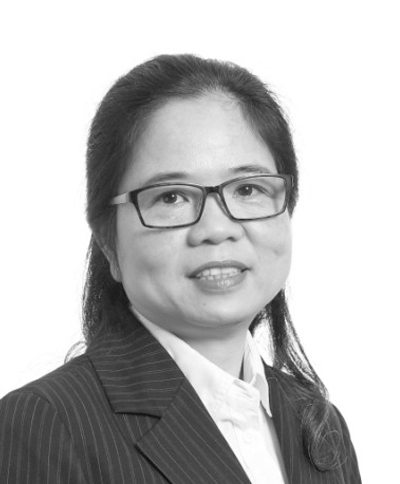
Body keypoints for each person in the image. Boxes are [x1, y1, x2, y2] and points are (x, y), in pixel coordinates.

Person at [0, 54, 362, 484]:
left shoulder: (318, 424)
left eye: (248, 189)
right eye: (171, 197)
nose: (217, 229)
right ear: (108, 241)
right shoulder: (45, 423)